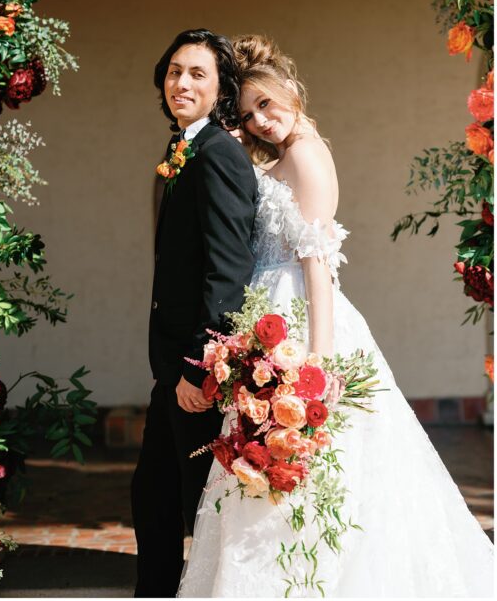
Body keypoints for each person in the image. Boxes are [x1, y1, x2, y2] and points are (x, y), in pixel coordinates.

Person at [178, 35, 494, 597]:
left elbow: (317, 264)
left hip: (301, 318)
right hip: (269, 313)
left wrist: (318, 362)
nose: (262, 122)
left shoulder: (307, 156)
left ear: (290, 88)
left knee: (307, 460)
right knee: (266, 456)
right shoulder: (284, 155)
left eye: (266, 105)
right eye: (250, 115)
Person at [132, 29, 258, 597]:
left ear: (221, 89)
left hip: (195, 369)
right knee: (152, 493)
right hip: (172, 365)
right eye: (174, 70)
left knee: (196, 504)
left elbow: (228, 271)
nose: (181, 82)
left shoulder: (219, 155)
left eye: (197, 74)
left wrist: (197, 368)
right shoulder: (184, 147)